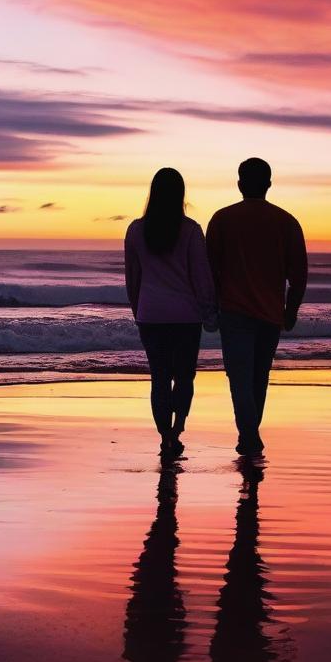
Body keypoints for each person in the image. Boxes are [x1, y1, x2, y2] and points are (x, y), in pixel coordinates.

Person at [206, 157, 308, 456]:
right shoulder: (286, 221)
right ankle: (249, 434)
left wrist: (209, 310)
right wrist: (291, 310)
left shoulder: (222, 219)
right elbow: (299, 274)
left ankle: (249, 434)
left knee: (239, 378)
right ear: (269, 185)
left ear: (239, 184)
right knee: (258, 377)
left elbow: (209, 272)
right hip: (270, 313)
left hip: (234, 312)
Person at [125, 168, 218, 457]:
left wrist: (137, 310)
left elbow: (133, 278)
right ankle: (177, 428)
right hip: (186, 317)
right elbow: (201, 277)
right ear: (180, 194)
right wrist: (209, 312)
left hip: (151, 315)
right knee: (185, 377)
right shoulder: (190, 230)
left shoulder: (136, 230)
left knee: (159, 378)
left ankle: (164, 433)